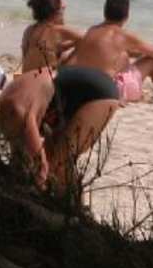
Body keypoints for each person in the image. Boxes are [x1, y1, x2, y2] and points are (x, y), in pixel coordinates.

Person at [66, 0, 153, 106]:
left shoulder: (92, 30)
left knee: (123, 58)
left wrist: (132, 54)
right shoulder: (123, 35)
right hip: (111, 91)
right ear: (127, 16)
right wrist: (143, 55)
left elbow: (107, 54)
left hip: (90, 87)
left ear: (105, 12)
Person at [45, 65, 125, 193]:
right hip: (90, 85)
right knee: (59, 159)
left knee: (61, 163)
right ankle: (69, 200)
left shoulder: (21, 112)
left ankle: (71, 203)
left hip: (98, 95)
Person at [0, 68, 58, 188]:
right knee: (36, 166)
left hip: (12, 95)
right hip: (21, 108)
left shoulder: (19, 111)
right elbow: (41, 166)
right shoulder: (24, 115)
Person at [20, 0, 83, 71]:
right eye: (62, 10)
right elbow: (87, 38)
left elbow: (43, 49)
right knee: (79, 48)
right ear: (54, 14)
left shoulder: (29, 29)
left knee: (62, 53)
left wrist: (72, 44)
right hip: (45, 77)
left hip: (26, 75)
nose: (63, 13)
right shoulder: (56, 30)